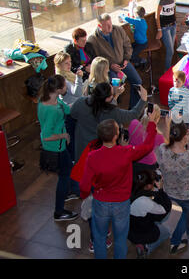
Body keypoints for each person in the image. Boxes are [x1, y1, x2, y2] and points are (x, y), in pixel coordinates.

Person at [80, 116, 157, 259]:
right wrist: (152, 124)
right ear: (116, 135)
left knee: (99, 237)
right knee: (121, 238)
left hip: (101, 201)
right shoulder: (126, 153)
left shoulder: (92, 157)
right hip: (121, 203)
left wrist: (85, 195)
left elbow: (84, 185)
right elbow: (147, 147)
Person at [70, 82, 147, 162]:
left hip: (81, 148)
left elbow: (73, 114)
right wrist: (143, 99)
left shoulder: (81, 102)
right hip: (99, 152)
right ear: (107, 98)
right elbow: (133, 114)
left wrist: (115, 96)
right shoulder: (112, 112)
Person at [37, 75, 78, 221]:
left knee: (68, 170)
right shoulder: (52, 109)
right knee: (64, 176)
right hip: (56, 148)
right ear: (59, 89)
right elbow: (46, 135)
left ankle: (72, 190)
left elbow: (66, 110)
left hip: (60, 147)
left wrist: (79, 103)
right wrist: (64, 136)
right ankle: (59, 211)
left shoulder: (50, 101)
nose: (67, 87)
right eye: (65, 86)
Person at [156, 123, 189, 254]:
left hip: (168, 189)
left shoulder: (162, 149)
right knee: (187, 213)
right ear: (185, 137)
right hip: (185, 195)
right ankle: (175, 241)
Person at [87, 13, 143, 109]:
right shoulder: (93, 39)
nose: (110, 27)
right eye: (107, 26)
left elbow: (128, 45)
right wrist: (110, 66)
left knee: (138, 82)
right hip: (108, 69)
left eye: (111, 24)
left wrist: (126, 59)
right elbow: (96, 59)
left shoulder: (118, 30)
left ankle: (133, 108)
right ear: (99, 26)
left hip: (123, 63)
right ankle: (114, 112)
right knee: (114, 89)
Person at [129, 169, 172, 258]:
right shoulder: (144, 201)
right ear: (148, 185)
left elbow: (145, 194)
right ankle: (146, 247)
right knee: (167, 231)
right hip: (141, 233)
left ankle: (141, 243)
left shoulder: (130, 190)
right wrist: (161, 190)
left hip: (129, 229)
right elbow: (165, 209)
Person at [54, 51, 84, 165]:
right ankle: (73, 160)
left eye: (70, 62)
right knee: (72, 136)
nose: (69, 65)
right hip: (70, 112)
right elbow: (77, 93)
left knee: (74, 135)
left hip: (73, 108)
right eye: (66, 63)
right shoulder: (62, 79)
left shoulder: (67, 73)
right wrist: (79, 78)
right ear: (59, 65)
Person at [129, 104, 168, 174]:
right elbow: (168, 148)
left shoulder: (133, 123)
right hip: (148, 167)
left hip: (132, 161)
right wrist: (168, 125)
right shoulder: (159, 137)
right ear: (158, 118)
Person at [156, 0, 179, 71]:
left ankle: (168, 69)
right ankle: (167, 70)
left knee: (172, 49)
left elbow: (173, 12)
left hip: (173, 25)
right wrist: (159, 30)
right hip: (165, 28)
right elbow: (157, 16)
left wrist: (176, 25)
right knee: (170, 51)